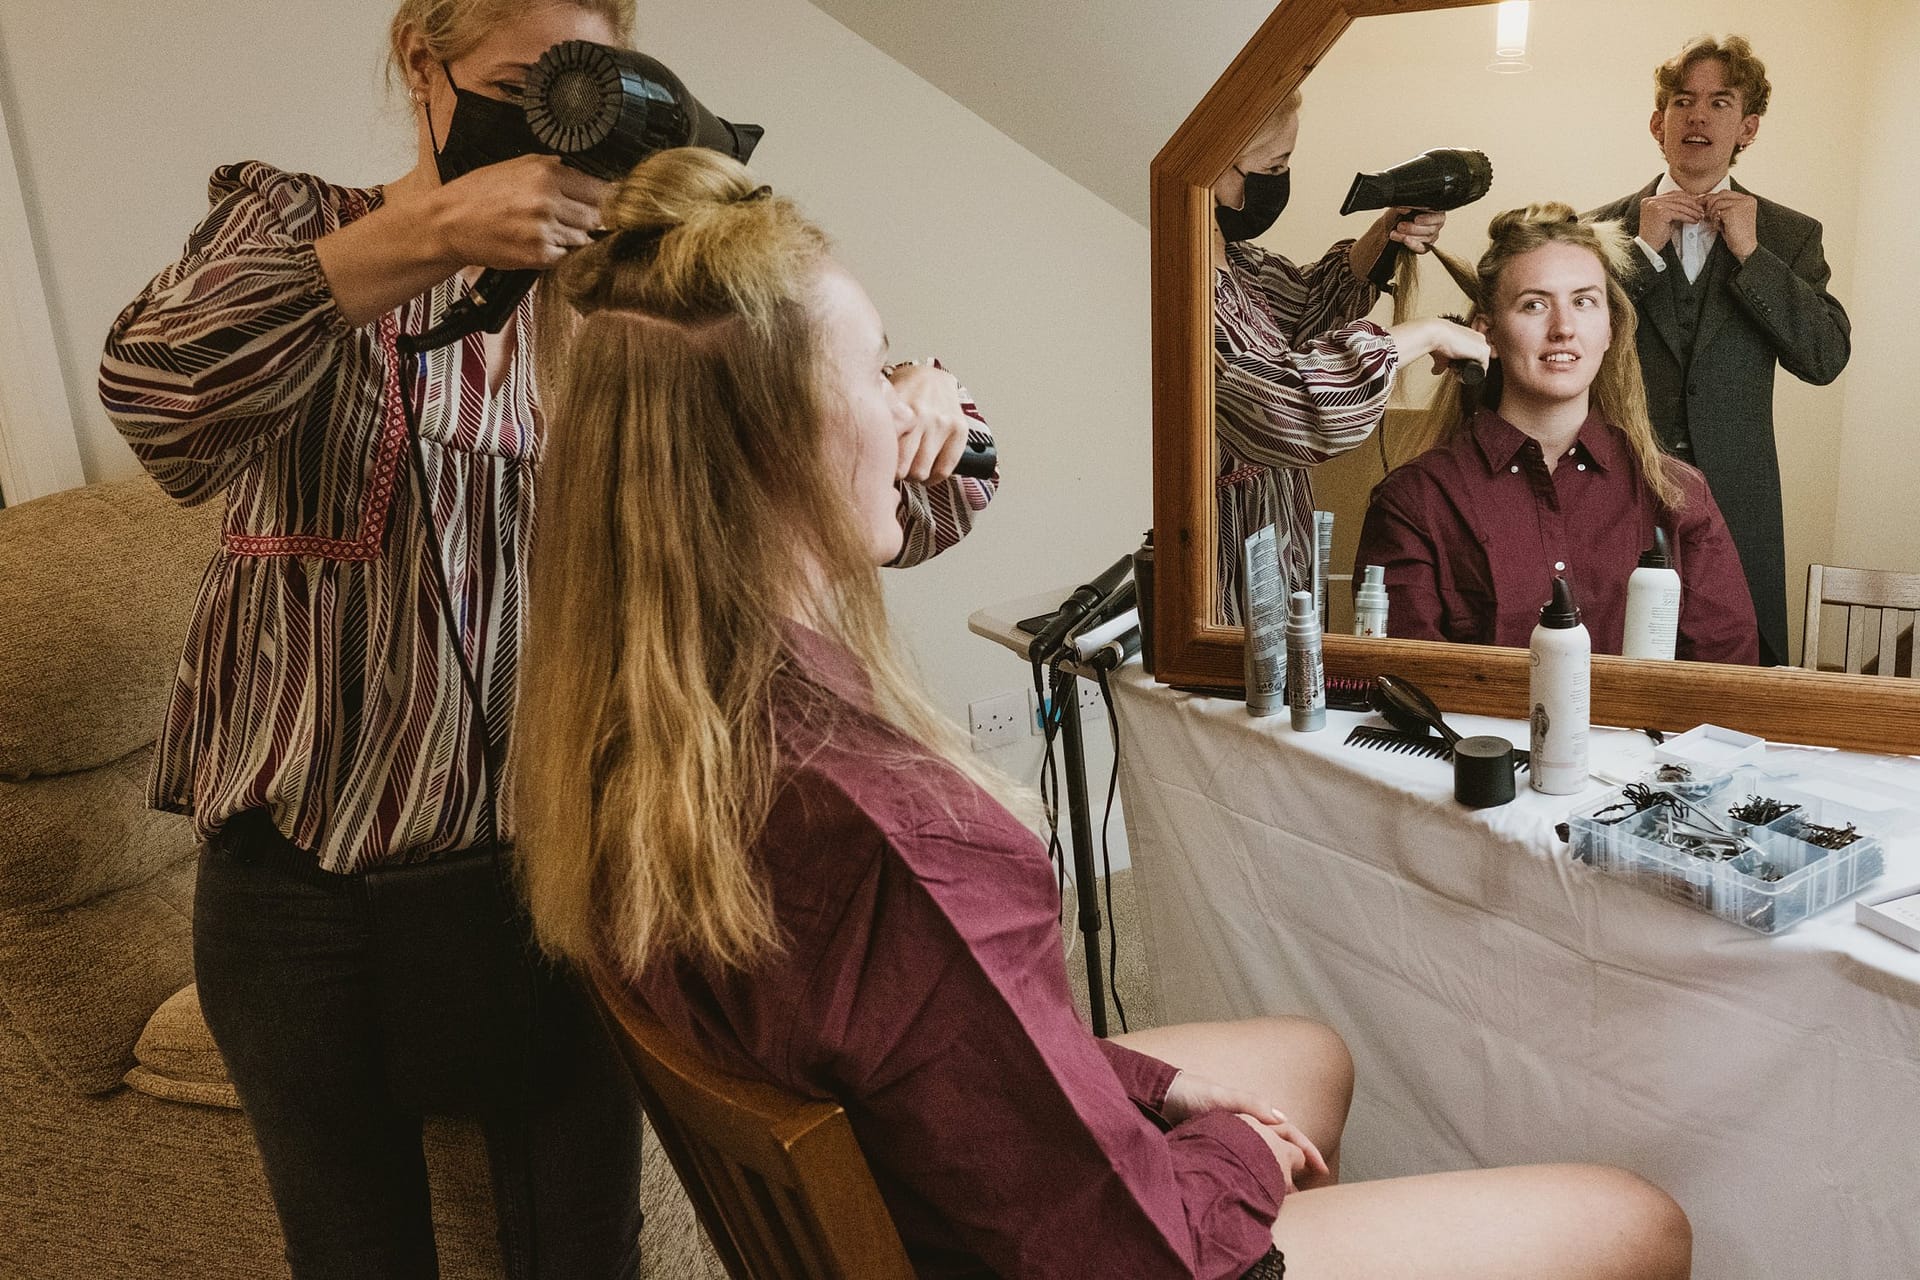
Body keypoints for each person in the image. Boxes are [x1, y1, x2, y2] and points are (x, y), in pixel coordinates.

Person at [516, 145, 1692, 1280]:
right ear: (777, 438)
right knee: (1633, 1219)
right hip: (1059, 1248)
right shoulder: (906, 838)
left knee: (1312, 1052)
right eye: (879, 370)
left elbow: (967, 1060)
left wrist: (1155, 1093)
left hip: (920, 1164)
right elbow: (1140, 1253)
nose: (911, 407)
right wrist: (1237, 1151)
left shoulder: (647, 715)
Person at [95, 2, 994, 1275]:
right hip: (299, 897)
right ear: (426, 63)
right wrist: (432, 233)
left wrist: (906, 404)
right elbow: (155, 395)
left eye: (585, 86)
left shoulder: (625, 292)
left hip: (562, 879)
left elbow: (896, 495)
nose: (552, 127)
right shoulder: (293, 221)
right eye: (521, 85)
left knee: (585, 1257)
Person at [1355, 204, 1758, 664]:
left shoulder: (1678, 495)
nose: (1563, 329)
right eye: (1534, 304)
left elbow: (1726, 677)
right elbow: (1406, 682)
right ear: (1487, 334)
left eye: (1584, 301)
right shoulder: (1416, 501)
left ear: (1609, 328)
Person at [1586, 35, 1850, 666]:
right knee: (1611, 661)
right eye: (1683, 101)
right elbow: (1563, 348)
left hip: (1740, 503)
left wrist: (1753, 258)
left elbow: (1825, 357)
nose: (1698, 116)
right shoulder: (1596, 230)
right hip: (1617, 488)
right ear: (1659, 122)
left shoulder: (1788, 235)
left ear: (1748, 127)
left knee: (1737, 676)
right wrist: (1640, 255)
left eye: (1719, 102)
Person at [1210, 91, 1488, 623]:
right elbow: (1292, 408)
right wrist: (1423, 335)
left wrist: (1387, 230)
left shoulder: (1241, 268)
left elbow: (1310, 308)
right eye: (1275, 166)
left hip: (1276, 552)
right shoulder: (1190, 295)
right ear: (1216, 166)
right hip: (1225, 575)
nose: (1282, 179)